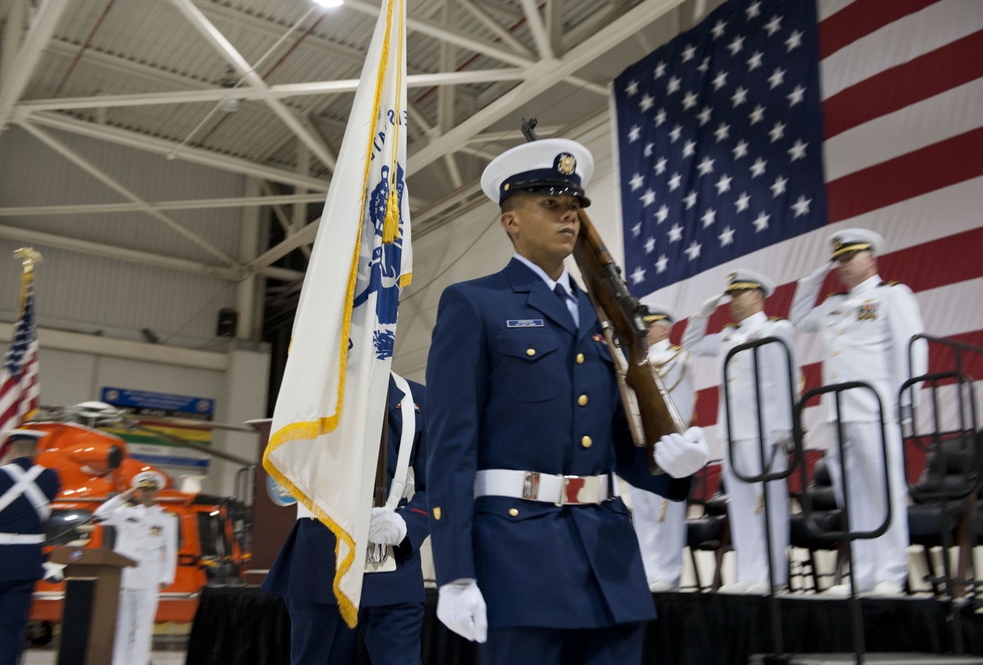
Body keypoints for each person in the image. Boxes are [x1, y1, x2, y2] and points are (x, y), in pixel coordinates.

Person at [424, 137, 710, 665]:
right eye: (550, 204)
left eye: (574, 205)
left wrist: (671, 465)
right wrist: (456, 571)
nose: (568, 217)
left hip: (607, 557)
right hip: (517, 554)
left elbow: (616, 441)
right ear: (510, 220)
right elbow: (450, 446)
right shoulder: (475, 305)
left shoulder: (599, 315)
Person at [789, 228, 926, 597]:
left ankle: (891, 574)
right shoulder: (833, 305)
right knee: (853, 495)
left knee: (885, 492)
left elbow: (910, 350)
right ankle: (864, 572)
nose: (842, 266)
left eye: (849, 257)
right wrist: (811, 279)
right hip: (837, 413)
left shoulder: (891, 295)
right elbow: (799, 319)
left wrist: (907, 406)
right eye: (838, 259)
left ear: (871, 258)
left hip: (875, 409)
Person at [263, 373, 430, 665]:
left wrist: (408, 524)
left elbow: (440, 484)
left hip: (391, 561)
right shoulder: (312, 389)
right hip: (321, 556)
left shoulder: (418, 398)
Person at [682, 270, 797, 594]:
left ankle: (772, 576)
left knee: (769, 506)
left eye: (739, 294)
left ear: (757, 295)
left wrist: (784, 427)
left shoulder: (776, 329)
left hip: (766, 432)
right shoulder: (728, 336)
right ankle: (749, 573)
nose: (732, 301)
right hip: (734, 432)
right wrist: (703, 313)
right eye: (730, 296)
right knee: (743, 506)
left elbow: (787, 376)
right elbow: (691, 344)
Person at [629, 305, 696, 592]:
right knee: (643, 509)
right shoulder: (636, 362)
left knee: (667, 510)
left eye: (650, 325)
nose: (644, 331)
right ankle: (647, 569)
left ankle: (669, 572)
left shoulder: (679, 358)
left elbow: (685, 403)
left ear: (665, 328)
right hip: (641, 444)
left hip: (670, 443)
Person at [94, 469, 178, 665]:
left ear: (157, 492)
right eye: (142, 490)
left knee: (143, 626)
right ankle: (119, 662)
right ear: (137, 491)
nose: (146, 493)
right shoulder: (125, 513)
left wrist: (166, 577)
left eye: (150, 490)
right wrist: (122, 497)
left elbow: (170, 549)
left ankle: (138, 662)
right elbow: (100, 515)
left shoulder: (167, 519)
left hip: (148, 579)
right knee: (121, 624)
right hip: (124, 578)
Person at [0, 429, 60, 665]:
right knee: (11, 628)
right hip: (25, 564)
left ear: (12, 449)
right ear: (36, 450)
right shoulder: (51, 478)